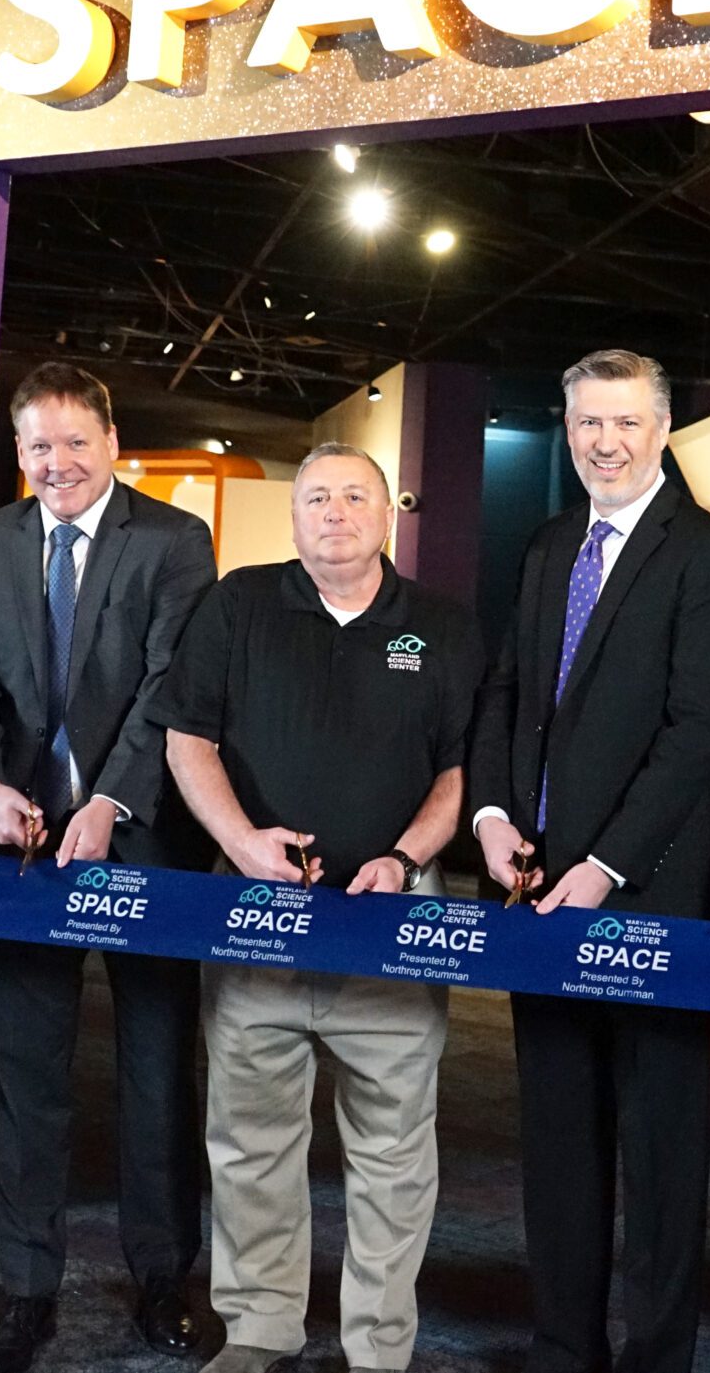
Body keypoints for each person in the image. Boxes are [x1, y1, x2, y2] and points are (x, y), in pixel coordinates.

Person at [153, 443, 481, 1373]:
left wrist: (405, 857)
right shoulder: (240, 604)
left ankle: (378, 1347)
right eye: (317, 498)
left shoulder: (443, 627)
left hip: (390, 930)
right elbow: (186, 738)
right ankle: (259, 1328)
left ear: (388, 514)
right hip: (256, 921)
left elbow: (460, 770)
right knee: (251, 1142)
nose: (335, 512)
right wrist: (241, 843)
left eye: (354, 496)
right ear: (293, 515)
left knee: (393, 1155)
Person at [467, 349, 710, 1373]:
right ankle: (563, 1348)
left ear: (663, 428)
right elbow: (507, 692)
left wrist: (603, 867)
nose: (605, 441)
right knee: (558, 1143)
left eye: (627, 422)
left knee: (661, 1154)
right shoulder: (551, 545)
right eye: (588, 421)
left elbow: (694, 734)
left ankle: (657, 1356)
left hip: (650, 898)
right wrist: (491, 813)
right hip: (537, 893)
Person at [0, 362, 218, 1373]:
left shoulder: (174, 540)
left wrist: (110, 800)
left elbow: (169, 685)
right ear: (19, 452)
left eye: (73, 441)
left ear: (112, 440)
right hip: (20, 844)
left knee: (156, 1071)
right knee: (25, 1074)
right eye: (36, 445)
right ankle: (26, 1291)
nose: (55, 462)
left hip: (141, 838)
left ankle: (162, 1280)